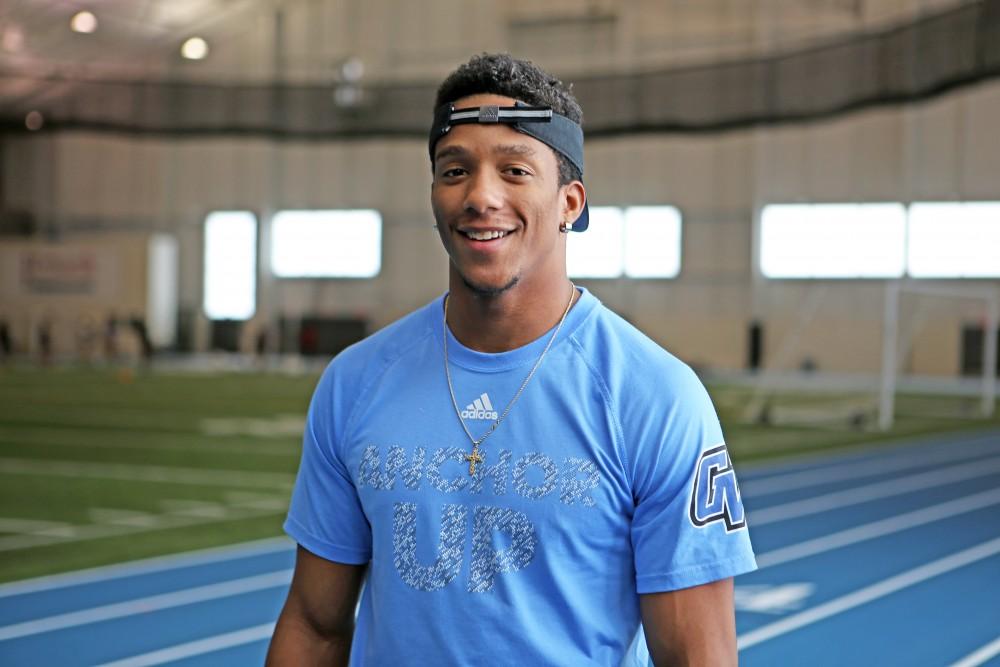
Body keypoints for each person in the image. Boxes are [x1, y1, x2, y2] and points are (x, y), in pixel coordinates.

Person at [267, 53, 755, 666]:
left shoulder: (653, 396)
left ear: (570, 203)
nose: (480, 196)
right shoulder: (356, 382)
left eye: (515, 170)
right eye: (455, 170)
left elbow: (696, 657)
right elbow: (314, 627)